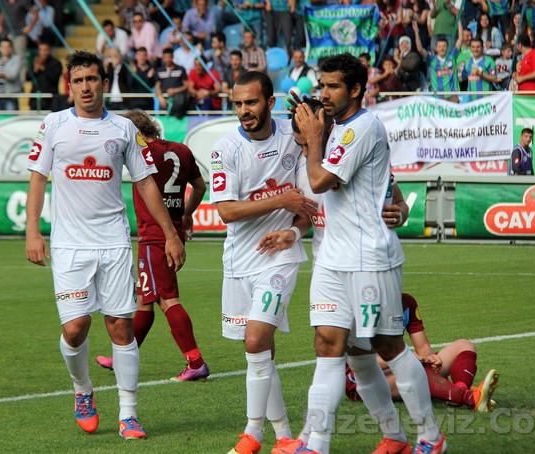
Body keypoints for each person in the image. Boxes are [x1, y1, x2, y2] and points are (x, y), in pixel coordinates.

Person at [289, 53, 445, 454]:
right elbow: (382, 182)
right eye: (321, 86)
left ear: (356, 89)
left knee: (386, 346)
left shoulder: (362, 127)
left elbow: (319, 180)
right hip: (331, 259)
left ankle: (430, 436)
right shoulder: (338, 128)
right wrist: (310, 126)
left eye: (333, 86)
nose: (324, 94)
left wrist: (312, 139)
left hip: (368, 258)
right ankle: (319, 444)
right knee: (331, 346)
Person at [25, 50, 185, 440]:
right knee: (75, 328)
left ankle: (129, 415)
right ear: (69, 86)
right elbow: (37, 179)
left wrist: (170, 233)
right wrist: (32, 231)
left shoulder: (123, 129)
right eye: (78, 80)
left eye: (92, 79)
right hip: (70, 246)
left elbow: (145, 182)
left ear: (104, 83)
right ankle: (82, 390)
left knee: (120, 327)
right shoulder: (53, 125)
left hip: (113, 242)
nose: (86, 87)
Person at [209, 70, 317, 454]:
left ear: (270, 102)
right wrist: (280, 201)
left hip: (281, 257)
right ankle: (284, 436)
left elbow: (308, 205)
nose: (244, 110)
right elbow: (226, 211)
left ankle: (252, 433)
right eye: (238, 103)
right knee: (261, 350)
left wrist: (294, 232)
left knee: (255, 340)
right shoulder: (225, 149)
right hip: (240, 261)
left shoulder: (293, 136)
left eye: (251, 102)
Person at [95, 109, 209, 381]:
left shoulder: (141, 152)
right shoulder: (181, 150)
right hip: (174, 231)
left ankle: (195, 361)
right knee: (145, 301)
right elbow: (200, 187)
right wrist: (187, 214)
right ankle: (121, 356)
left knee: (168, 299)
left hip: (155, 235)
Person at [345, 293, 500, 412]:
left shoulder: (406, 302)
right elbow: (361, 362)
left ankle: (460, 389)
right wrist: (403, 358)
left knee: (464, 345)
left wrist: (430, 357)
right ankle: (469, 399)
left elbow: (423, 346)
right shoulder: (363, 308)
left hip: (399, 367)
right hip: (362, 379)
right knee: (415, 369)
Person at [414, 20, 462, 101]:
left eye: (444, 46)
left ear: (448, 48)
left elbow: (460, 39)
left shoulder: (452, 56)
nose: (442, 48)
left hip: (453, 95)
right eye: (439, 46)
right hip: (439, 97)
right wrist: (416, 33)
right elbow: (420, 49)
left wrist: (459, 21)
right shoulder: (432, 60)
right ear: (436, 48)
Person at [0, 38, 24, 111]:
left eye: (7, 47)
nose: (5, 49)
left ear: (11, 48)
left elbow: (12, 75)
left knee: (11, 116)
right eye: (3, 47)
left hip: (10, 95)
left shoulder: (16, 59)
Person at [155, 47, 190, 116]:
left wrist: (175, 90)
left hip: (178, 102)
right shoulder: (159, 70)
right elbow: (157, 86)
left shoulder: (181, 69)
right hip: (164, 102)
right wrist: (160, 97)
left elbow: (186, 85)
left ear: (173, 57)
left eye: (169, 57)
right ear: (163, 58)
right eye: (165, 58)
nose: (167, 60)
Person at [30, 41, 62, 111]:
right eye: (41, 50)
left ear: (49, 50)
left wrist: (43, 68)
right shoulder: (35, 62)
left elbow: (54, 78)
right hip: (36, 98)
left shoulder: (56, 63)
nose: (43, 52)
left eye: (45, 50)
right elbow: (27, 78)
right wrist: (35, 69)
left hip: (50, 98)